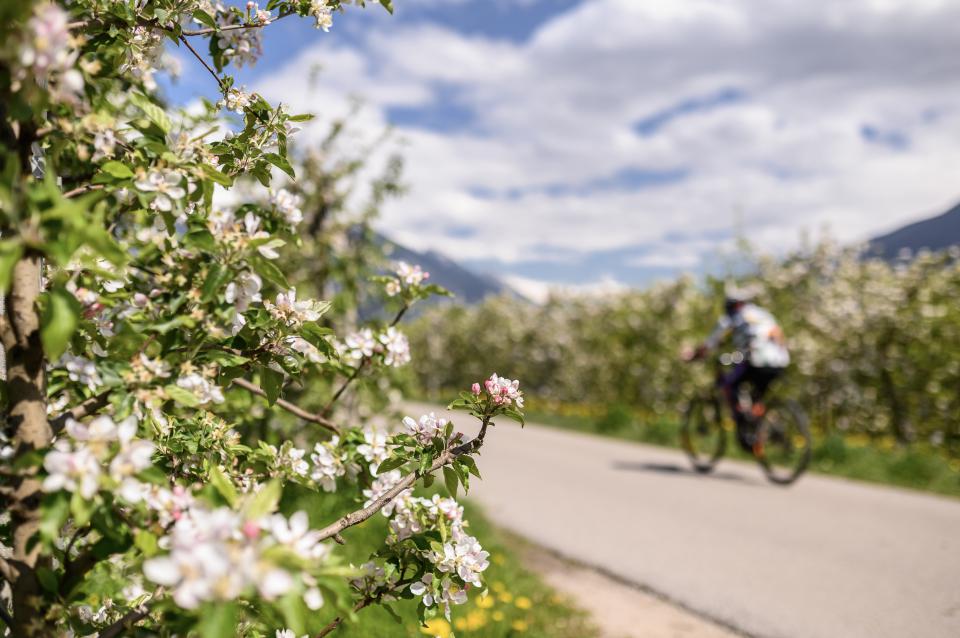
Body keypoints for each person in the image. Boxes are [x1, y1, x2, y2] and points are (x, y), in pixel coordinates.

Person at [685, 284, 790, 452]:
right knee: (757, 397)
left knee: (730, 384)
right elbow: (778, 334)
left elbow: (710, 344)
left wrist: (695, 355)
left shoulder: (732, 317)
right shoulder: (763, 314)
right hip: (779, 361)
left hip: (755, 360)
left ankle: (745, 426)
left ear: (731, 305)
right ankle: (757, 430)